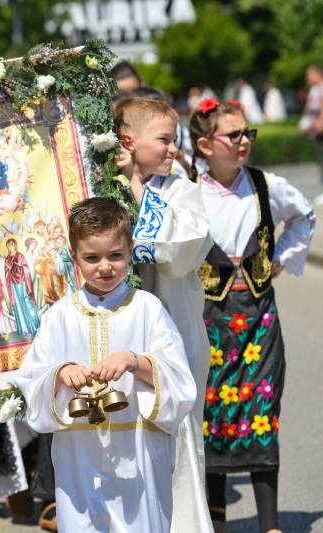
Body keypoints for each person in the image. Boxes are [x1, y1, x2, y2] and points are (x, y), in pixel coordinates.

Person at [15, 197, 197, 533]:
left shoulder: (148, 309)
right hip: (78, 457)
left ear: (130, 251)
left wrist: (135, 361)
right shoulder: (58, 317)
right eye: (92, 258)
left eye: (115, 255)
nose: (105, 267)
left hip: (138, 455)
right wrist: (60, 373)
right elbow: (31, 378)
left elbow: (180, 380)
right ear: (74, 258)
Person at [188, 98, 316, 533]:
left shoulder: (265, 185)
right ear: (205, 145)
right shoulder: (188, 192)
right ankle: (216, 521)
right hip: (209, 316)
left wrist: (280, 257)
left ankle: (270, 525)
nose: (244, 142)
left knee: (260, 408)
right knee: (213, 414)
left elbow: (304, 216)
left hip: (259, 313)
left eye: (247, 133)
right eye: (234, 135)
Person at [114, 95, 214, 532]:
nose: (173, 149)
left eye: (174, 140)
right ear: (128, 141)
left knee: (179, 438)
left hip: (176, 330)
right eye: (164, 140)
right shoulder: (104, 186)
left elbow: (181, 249)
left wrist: (138, 190)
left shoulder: (182, 190)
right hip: (119, 341)